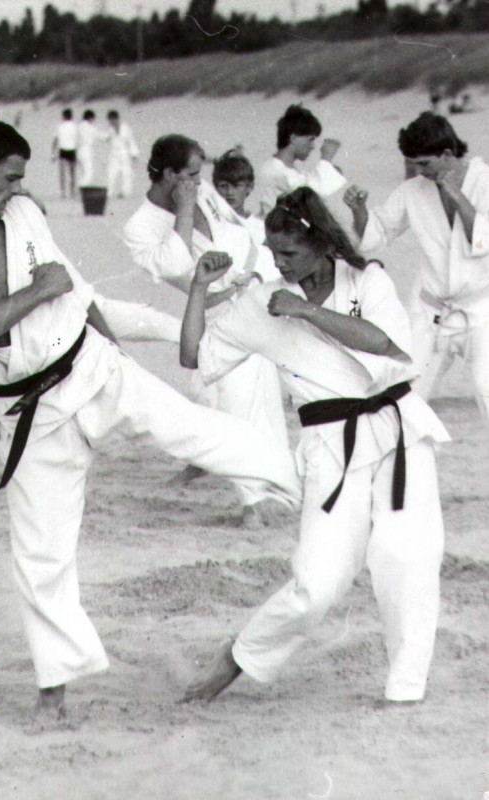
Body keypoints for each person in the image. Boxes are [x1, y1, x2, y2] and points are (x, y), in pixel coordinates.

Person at [0, 122, 300, 720]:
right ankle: (54, 692)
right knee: (41, 552)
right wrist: (41, 290)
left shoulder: (22, 215)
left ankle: (309, 481)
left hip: (89, 361)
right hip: (27, 408)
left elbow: (77, 290)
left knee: (194, 430)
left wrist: (112, 348)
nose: (18, 189)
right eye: (10, 177)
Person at [180, 187, 449, 705]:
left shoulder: (368, 279)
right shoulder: (262, 303)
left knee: (407, 556)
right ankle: (238, 656)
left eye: (289, 253)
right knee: (315, 584)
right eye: (273, 252)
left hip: (398, 428)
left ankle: (405, 690)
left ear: (322, 243)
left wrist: (305, 312)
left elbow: (386, 344)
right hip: (330, 445)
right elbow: (193, 355)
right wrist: (198, 288)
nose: (278, 264)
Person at [123, 134, 287, 517]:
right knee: (234, 401)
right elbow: (175, 266)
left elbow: (239, 228)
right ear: (169, 174)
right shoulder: (139, 226)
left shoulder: (205, 191)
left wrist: (259, 270)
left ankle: (268, 483)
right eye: (192, 175)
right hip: (217, 314)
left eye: (200, 175)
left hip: (255, 293)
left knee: (264, 400)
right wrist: (184, 209)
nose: (200, 183)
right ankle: (251, 504)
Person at [344, 112, 489, 423]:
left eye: (424, 163)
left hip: (482, 310)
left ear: (447, 154)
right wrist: (359, 210)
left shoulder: (485, 180)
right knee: (405, 393)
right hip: (431, 311)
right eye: (413, 164)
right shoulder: (413, 189)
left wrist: (455, 194)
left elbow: (484, 240)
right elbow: (377, 234)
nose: (419, 171)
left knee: (486, 389)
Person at [258, 105, 346, 217]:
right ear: (293, 138)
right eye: (310, 140)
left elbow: (305, 183)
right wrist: (326, 158)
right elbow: (315, 195)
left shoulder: (283, 169)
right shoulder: (276, 171)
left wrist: (330, 169)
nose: (313, 146)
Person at [212, 149, 267, 246]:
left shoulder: (260, 228)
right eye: (224, 186)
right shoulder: (212, 223)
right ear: (216, 188)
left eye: (236, 186)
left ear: (249, 187)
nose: (229, 192)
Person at [101, 110, 140, 199]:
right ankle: (109, 192)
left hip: (124, 153)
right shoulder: (110, 129)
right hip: (113, 154)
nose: (111, 122)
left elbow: (131, 141)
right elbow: (105, 137)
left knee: (126, 173)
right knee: (111, 173)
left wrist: (134, 153)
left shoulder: (125, 128)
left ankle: (125, 192)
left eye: (112, 120)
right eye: (109, 121)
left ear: (116, 119)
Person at [51, 108, 77, 198]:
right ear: (71, 116)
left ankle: (63, 191)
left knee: (62, 173)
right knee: (72, 173)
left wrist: (53, 153)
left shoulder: (60, 126)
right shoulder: (74, 126)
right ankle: (72, 191)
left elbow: (55, 140)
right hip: (72, 150)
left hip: (63, 150)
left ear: (63, 116)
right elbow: (77, 139)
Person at [77, 109, 102, 187]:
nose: (93, 121)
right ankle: (81, 188)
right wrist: (109, 136)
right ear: (90, 118)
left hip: (78, 151)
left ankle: (79, 187)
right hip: (86, 150)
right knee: (89, 172)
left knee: (83, 172)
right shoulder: (90, 127)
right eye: (93, 119)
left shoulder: (78, 127)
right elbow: (99, 135)